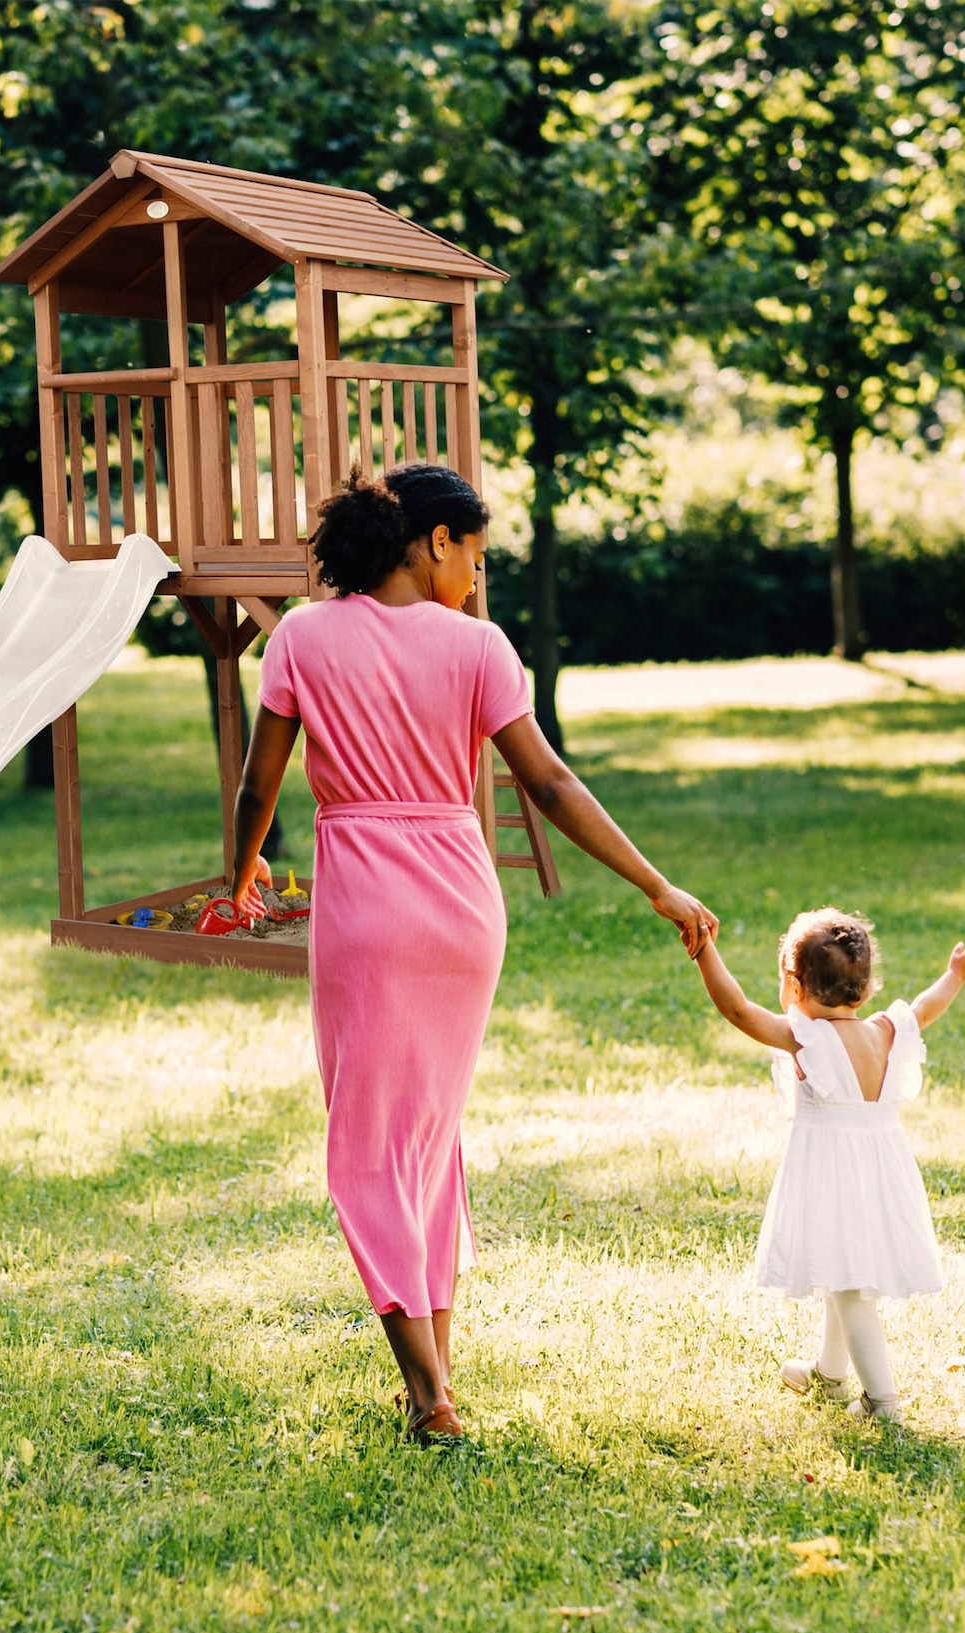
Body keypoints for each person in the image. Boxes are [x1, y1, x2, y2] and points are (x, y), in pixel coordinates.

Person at [228, 463, 717, 1444]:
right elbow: (548, 784)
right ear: (434, 541)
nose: (479, 579)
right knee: (426, 1141)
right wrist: (655, 883)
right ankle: (437, 1375)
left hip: (365, 906)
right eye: (477, 556)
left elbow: (258, 786)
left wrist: (237, 875)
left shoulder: (302, 637)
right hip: (461, 907)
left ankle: (428, 1395)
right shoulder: (480, 649)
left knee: (369, 1148)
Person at [691, 909, 965, 1422]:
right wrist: (956, 975)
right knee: (839, 1270)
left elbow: (737, 1010)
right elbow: (926, 1006)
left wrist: (704, 950)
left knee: (851, 1290)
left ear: (794, 984)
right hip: (880, 1175)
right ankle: (830, 1375)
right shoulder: (886, 1031)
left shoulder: (807, 1039)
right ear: (866, 988)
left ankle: (883, 1402)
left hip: (834, 1177)